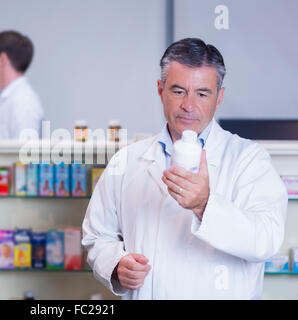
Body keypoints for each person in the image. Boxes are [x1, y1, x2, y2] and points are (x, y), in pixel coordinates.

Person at [82, 38, 288, 299]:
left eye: (202, 94)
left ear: (220, 97)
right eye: (178, 91)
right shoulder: (128, 161)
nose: (189, 105)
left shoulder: (249, 160)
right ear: (160, 90)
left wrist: (206, 205)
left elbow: (266, 240)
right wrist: (115, 265)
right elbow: (97, 236)